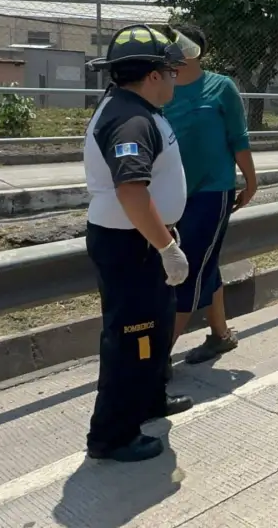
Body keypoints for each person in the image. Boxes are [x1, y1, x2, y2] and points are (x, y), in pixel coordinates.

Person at [82, 24, 193, 462]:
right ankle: (113, 436)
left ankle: (148, 401)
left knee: (154, 329)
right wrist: (166, 247)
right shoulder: (130, 118)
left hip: (142, 241)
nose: (174, 79)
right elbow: (131, 190)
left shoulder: (136, 106)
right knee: (132, 338)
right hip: (133, 246)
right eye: (170, 71)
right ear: (152, 76)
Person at [161, 23, 255, 368]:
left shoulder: (220, 87)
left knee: (187, 268)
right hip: (171, 194)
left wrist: (250, 180)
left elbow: (238, 137)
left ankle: (155, 362)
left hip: (212, 191)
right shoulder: (160, 88)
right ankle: (220, 335)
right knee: (205, 263)